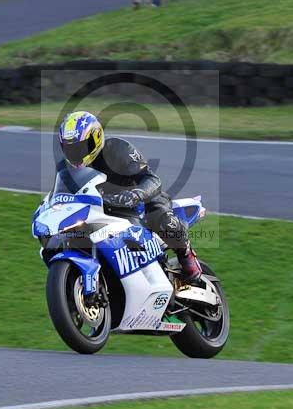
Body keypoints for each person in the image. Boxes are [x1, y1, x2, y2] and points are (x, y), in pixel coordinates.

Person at [57, 110, 202, 282]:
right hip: (103, 210)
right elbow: (62, 195)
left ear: (95, 138)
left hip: (140, 203)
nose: (76, 154)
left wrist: (135, 194)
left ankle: (186, 256)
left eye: (80, 147)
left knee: (159, 216)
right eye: (70, 149)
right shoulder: (66, 170)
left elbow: (152, 179)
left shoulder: (117, 149)